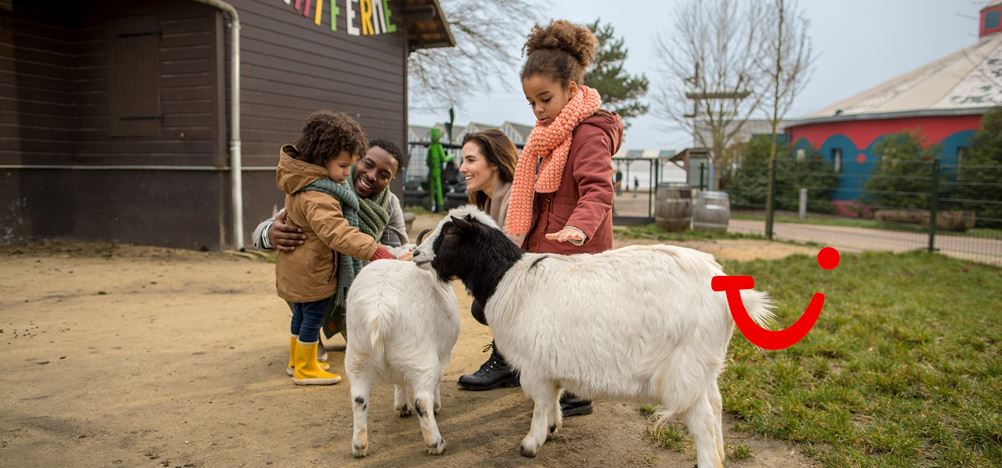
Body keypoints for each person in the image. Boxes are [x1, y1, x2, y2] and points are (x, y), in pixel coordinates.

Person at [506, 20, 624, 417]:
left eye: (545, 99)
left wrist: (578, 226)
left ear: (571, 90)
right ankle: (556, 383)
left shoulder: (589, 132)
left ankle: (578, 391)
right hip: (548, 244)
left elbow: (598, 189)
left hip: (577, 249)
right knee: (550, 322)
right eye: (531, 103)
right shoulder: (547, 135)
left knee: (575, 324)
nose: (538, 110)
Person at [254, 139, 409, 364]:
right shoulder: (324, 187)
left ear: (392, 179)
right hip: (315, 275)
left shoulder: (390, 204)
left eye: (384, 174)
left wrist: (397, 254)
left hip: (357, 282)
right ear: (356, 159)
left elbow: (396, 245)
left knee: (371, 348)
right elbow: (261, 231)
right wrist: (270, 234)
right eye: (368, 164)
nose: (372, 175)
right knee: (301, 272)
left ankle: (354, 324)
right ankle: (310, 338)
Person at [275, 110, 397, 386]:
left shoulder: (301, 180)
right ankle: (307, 369)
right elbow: (337, 232)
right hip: (312, 271)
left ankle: (297, 361)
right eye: (343, 166)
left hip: (297, 268)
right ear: (323, 157)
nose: (346, 173)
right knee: (312, 318)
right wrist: (374, 249)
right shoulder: (319, 193)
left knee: (301, 318)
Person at [453, 129, 522, 391]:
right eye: (463, 160)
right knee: (482, 304)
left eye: (471, 160)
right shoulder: (486, 200)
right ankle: (512, 361)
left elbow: (509, 260)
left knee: (484, 306)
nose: (462, 168)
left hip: (530, 285)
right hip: (513, 281)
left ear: (494, 162)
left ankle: (508, 361)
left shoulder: (515, 198)